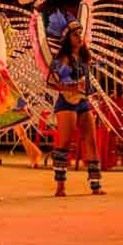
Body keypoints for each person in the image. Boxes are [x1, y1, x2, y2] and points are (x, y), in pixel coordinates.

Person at [46, 11, 105, 197]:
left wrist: (92, 93)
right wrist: (70, 87)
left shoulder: (84, 58)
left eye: (80, 33)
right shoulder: (62, 59)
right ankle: (60, 186)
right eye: (75, 34)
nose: (79, 37)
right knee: (64, 143)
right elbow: (50, 82)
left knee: (91, 142)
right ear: (67, 38)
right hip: (66, 103)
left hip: (83, 102)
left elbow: (86, 83)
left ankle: (95, 185)